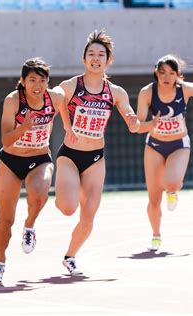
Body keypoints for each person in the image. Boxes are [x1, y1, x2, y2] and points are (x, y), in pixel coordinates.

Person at [55, 30, 140, 275]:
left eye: (100, 55)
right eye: (91, 54)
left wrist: (134, 122)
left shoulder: (116, 92)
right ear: (84, 59)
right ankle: (56, 195)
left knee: (89, 215)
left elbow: (131, 122)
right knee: (68, 207)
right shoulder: (71, 86)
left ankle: (70, 256)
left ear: (108, 60)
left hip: (95, 159)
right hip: (70, 155)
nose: (95, 58)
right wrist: (67, 125)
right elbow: (56, 102)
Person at [0, 58, 63, 283]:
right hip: (11, 162)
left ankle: (30, 225)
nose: (37, 85)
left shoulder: (55, 98)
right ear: (22, 81)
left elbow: (74, 95)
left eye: (42, 80)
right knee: (5, 221)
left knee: (40, 191)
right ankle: (0, 261)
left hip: (39, 157)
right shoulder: (13, 101)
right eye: (32, 80)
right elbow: (6, 141)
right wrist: (24, 127)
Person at [136, 54, 193, 251]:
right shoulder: (147, 93)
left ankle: (173, 189)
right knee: (154, 198)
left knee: (171, 182)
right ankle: (156, 234)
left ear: (177, 74)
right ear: (156, 73)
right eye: (162, 73)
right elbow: (138, 125)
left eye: (171, 73)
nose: (166, 77)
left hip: (179, 144)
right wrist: (150, 124)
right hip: (154, 146)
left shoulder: (184, 90)